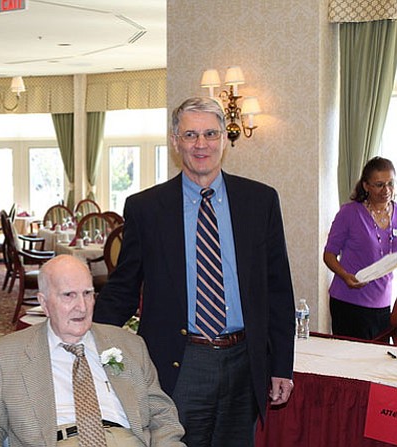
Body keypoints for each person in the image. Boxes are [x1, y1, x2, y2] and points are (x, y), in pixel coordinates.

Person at [93, 96, 296, 446]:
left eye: (210, 134)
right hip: (180, 363)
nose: (201, 145)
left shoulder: (260, 201)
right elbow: (124, 288)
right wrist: (84, 334)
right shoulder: (146, 208)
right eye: (190, 135)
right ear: (175, 141)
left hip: (245, 362)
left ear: (222, 139)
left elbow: (278, 290)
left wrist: (281, 366)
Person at [0, 255, 186, 447]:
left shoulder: (129, 344)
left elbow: (162, 415)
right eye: (68, 295)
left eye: (87, 293)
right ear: (44, 302)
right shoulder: (7, 355)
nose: (82, 306)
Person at [324, 156, 396, 340]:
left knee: (375, 362)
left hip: (382, 303)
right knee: (348, 363)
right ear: (366, 186)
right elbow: (329, 255)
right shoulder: (349, 213)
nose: (386, 190)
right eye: (379, 184)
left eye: (390, 183)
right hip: (349, 301)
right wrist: (345, 275)